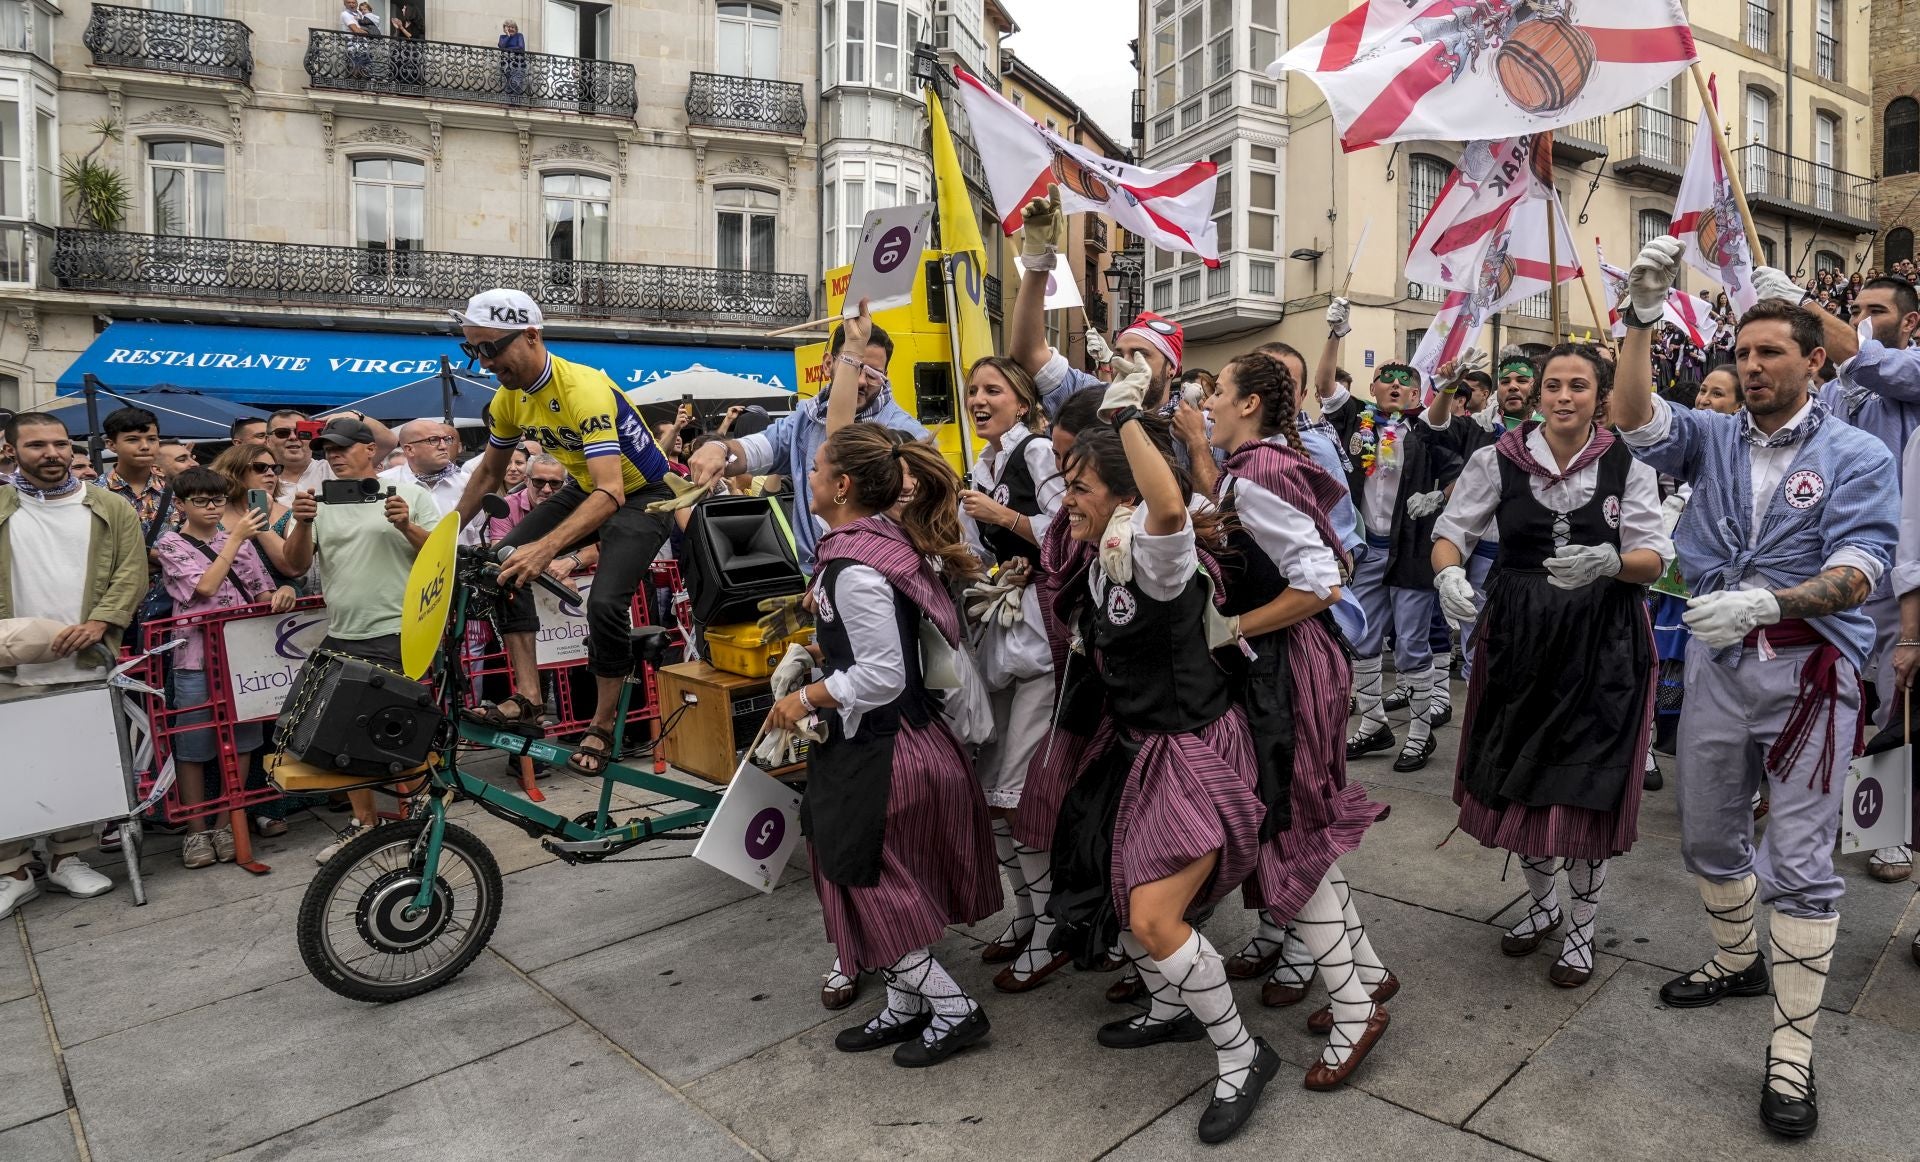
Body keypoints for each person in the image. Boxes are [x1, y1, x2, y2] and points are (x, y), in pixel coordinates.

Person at [1614, 238, 1898, 1139]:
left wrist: (1766, 603)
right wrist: (1638, 320)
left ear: (1815, 361)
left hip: (1809, 673)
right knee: (1706, 830)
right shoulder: (1712, 435)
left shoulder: (1857, 453)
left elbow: (1860, 569)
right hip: (1717, 668)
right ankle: (1739, 957)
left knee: (1806, 863)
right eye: (1742, 354)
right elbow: (1634, 421)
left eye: (1770, 352)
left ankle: (1790, 1053)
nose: (1752, 365)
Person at [1042, 367, 1278, 1144]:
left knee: (1151, 916)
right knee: (1113, 886)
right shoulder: (1107, 554)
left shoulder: (1153, 552)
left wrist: (1130, 418)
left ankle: (1244, 1056)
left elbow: (1171, 505)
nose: (1065, 498)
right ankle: (1175, 1007)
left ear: (1120, 494)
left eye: (1079, 485)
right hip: (1143, 747)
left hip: (1190, 750)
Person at [762, 422, 1001, 1069]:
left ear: (842, 485)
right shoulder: (883, 544)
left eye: (816, 470)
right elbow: (881, 644)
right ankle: (903, 1007)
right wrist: (816, 651)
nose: (806, 478)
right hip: (902, 741)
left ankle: (953, 1011)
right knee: (864, 877)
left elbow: (883, 673)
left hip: (885, 751)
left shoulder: (853, 564)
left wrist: (803, 699)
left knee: (869, 884)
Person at [1432, 343, 1671, 987]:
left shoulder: (1628, 466)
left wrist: (1611, 562)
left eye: (1580, 386)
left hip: (1603, 636)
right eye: (1553, 386)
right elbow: (1453, 531)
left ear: (1601, 397)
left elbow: (1655, 558)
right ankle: (1541, 907)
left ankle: (1582, 927)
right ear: (1538, 394)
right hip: (1519, 636)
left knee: (1585, 782)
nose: (1565, 397)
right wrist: (1449, 572)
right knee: (1523, 778)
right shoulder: (1496, 459)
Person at [1202, 351, 1395, 1087]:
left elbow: (1320, 582)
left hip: (1289, 667)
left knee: (1290, 829)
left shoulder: (1256, 474)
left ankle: (1354, 1012)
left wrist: (1234, 627)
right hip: (1284, 665)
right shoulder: (1254, 466)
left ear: (1250, 404)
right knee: (1300, 825)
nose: (1210, 401)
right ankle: (1367, 978)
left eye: (1217, 391)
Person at [453, 290, 676, 777]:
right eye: (473, 350)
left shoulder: (584, 389)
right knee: (500, 561)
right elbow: (488, 475)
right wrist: (446, 532)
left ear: (531, 335)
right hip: (584, 487)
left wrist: (548, 547)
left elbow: (613, 491)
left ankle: (600, 723)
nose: (484, 361)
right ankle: (530, 698)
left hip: (645, 494)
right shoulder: (508, 400)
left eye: (491, 347)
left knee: (604, 603)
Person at [953, 355, 1068, 993]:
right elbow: (981, 550)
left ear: (1021, 402)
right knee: (990, 773)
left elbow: (1070, 530)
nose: (978, 398)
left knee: (1016, 783)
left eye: (992, 389)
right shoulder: (985, 462)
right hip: (1003, 623)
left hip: (1043, 629)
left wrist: (1003, 521)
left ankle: (1050, 927)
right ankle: (1024, 914)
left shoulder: (1037, 455)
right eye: (973, 390)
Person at [0, 413, 143, 918]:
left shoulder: (108, 505)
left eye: (60, 444)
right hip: (10, 665)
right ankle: (13, 869)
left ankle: (68, 857)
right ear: (12, 449)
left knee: (82, 762)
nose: (52, 453)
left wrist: (103, 621)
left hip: (88, 657)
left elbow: (132, 570)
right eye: (37, 444)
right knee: (10, 766)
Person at [281, 416, 442, 863]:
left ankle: (424, 817)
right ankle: (364, 824)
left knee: (401, 733)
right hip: (343, 634)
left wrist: (406, 526)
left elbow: (441, 556)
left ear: (369, 449)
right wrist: (300, 524)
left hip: (399, 631)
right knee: (343, 739)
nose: (332, 455)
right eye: (327, 449)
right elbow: (295, 567)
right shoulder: (316, 503)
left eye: (342, 447)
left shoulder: (409, 495)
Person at [1314, 297, 1464, 771]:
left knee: (1413, 645)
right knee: (1361, 637)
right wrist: (1336, 334)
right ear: (1373, 386)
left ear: (1418, 396)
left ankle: (1420, 734)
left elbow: (1453, 456)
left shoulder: (1427, 429)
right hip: (1366, 553)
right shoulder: (1356, 419)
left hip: (1413, 553)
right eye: (1389, 379)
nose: (1397, 386)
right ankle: (1374, 723)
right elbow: (1324, 388)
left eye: (1408, 383)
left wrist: (1438, 498)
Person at [684, 317, 928, 572]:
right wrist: (719, 449)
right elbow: (756, 449)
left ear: (886, 376)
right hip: (814, 575)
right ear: (828, 364)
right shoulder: (806, 418)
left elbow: (921, 518)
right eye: (854, 367)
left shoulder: (906, 433)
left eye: (873, 374)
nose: (861, 381)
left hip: (877, 573)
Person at [152, 467, 296, 868]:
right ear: (180, 505)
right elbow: (205, 587)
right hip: (194, 659)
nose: (212, 508)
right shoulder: (170, 544)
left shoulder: (240, 542)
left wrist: (282, 592)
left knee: (244, 740)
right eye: (200, 501)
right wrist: (235, 539)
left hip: (242, 656)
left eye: (217, 500)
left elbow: (262, 589)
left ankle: (226, 823)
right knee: (194, 744)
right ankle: (196, 829)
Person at [1008, 187, 1185, 421]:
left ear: (1171, 368)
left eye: (1141, 354)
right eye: (1119, 353)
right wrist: (1039, 260)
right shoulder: (1094, 400)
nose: (1126, 363)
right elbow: (1029, 356)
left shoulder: (1193, 430)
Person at [381, 418, 477, 546]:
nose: (443, 446)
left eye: (446, 439)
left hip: (461, 564)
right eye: (433, 440)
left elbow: (481, 532)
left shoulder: (468, 482)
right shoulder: (384, 483)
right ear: (409, 449)